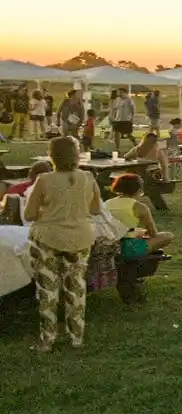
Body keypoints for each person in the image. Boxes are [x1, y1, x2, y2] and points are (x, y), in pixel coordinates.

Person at [22, 137, 104, 351]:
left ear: (52, 155)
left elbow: (29, 214)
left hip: (48, 237)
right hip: (81, 236)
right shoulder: (88, 177)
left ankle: (47, 340)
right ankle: (76, 338)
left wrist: (47, 211)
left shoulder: (44, 179)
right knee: (76, 288)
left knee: (48, 290)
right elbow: (95, 210)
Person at [105, 172, 175, 258]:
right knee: (167, 236)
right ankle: (144, 253)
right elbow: (152, 233)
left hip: (107, 245)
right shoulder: (139, 207)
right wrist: (140, 233)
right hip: (127, 248)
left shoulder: (107, 203)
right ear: (138, 190)